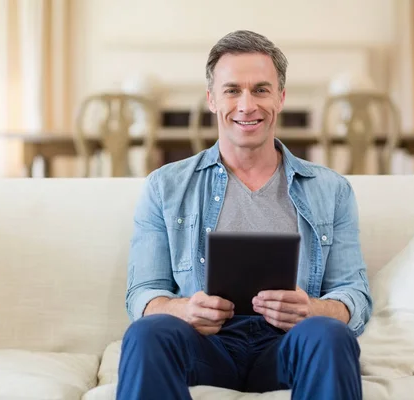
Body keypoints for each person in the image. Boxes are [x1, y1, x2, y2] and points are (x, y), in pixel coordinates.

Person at [117, 30, 372, 400]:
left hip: (288, 346)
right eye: (232, 90)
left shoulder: (331, 190)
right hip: (205, 346)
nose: (247, 105)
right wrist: (185, 309)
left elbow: (354, 295)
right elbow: (143, 294)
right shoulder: (165, 186)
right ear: (212, 99)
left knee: (329, 334)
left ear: (281, 98)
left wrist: (314, 308)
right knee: (146, 334)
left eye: (261, 90)